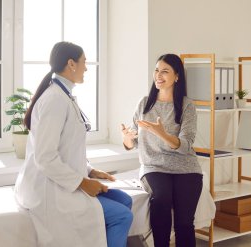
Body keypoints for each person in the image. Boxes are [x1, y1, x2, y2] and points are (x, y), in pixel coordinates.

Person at [15, 41, 133, 247]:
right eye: (84, 62)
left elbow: (66, 148)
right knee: (122, 216)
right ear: (71, 64)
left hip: (64, 181)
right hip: (49, 190)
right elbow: (45, 158)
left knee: (125, 200)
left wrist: (90, 170)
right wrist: (84, 183)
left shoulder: (64, 95)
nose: (86, 68)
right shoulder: (55, 100)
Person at [121, 54, 203, 247]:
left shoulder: (186, 106)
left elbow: (186, 145)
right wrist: (127, 138)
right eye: (157, 70)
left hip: (186, 168)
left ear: (177, 76)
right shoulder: (144, 104)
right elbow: (131, 143)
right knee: (161, 199)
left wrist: (162, 134)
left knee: (184, 223)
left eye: (165, 71)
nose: (159, 75)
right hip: (154, 166)